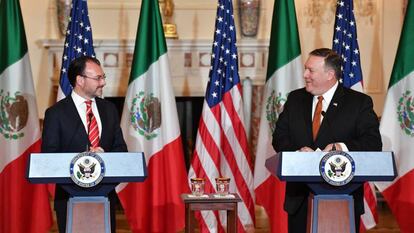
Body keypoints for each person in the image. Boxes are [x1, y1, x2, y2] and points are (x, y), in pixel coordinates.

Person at [272, 48, 382, 233]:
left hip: (342, 196)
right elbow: (279, 138)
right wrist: (298, 152)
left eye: (311, 70)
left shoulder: (359, 102)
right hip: (299, 199)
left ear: (330, 74)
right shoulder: (295, 99)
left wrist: (341, 147)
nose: (305, 74)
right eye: (306, 69)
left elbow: (373, 143)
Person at [41, 56, 128, 233]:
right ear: (80, 80)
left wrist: (105, 157)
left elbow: (121, 149)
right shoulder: (55, 113)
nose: (103, 82)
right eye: (98, 78)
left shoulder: (109, 109)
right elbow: (49, 157)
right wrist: (83, 160)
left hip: (105, 194)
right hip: (69, 196)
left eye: (103, 77)